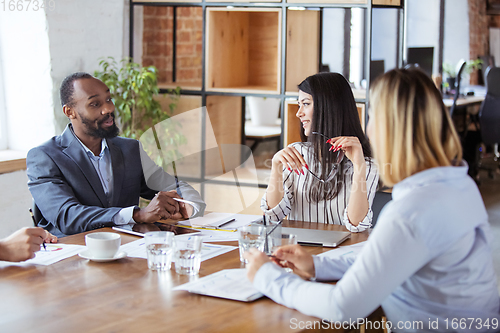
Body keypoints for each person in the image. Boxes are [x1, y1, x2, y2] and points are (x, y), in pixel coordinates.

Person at [245, 68, 500, 328]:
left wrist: (267, 276)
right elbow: (383, 255)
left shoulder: (410, 214)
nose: (368, 126)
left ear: (392, 128)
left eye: (374, 115)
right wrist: (317, 265)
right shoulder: (459, 186)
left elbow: (342, 307)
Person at [27, 72, 205, 237]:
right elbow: (67, 216)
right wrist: (138, 214)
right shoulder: (44, 157)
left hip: (128, 249)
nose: (108, 109)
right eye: (95, 104)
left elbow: (176, 186)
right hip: (73, 254)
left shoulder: (130, 149)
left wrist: (185, 207)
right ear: (70, 112)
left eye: (109, 99)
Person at [262, 72, 378, 232]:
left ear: (329, 106)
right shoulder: (296, 154)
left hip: (343, 253)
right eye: (299, 104)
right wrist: (276, 167)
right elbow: (272, 216)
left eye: (306, 104)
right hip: (299, 250)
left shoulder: (366, 164)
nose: (298, 113)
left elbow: (356, 225)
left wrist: (359, 168)